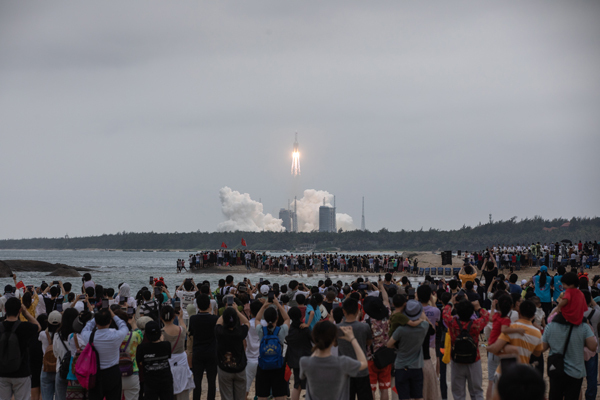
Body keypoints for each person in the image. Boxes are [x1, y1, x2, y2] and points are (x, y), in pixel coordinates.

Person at [299, 321, 368, 400]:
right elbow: (364, 363)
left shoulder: (305, 362)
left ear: (314, 337)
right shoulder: (342, 363)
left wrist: (318, 342)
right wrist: (352, 339)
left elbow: (302, 376)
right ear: (334, 339)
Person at [442, 297, 489, 400]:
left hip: (457, 360)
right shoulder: (475, 324)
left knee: (458, 394)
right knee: (477, 392)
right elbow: (486, 317)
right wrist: (479, 308)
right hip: (474, 360)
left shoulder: (453, 324)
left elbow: (445, 314)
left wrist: (450, 302)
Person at [80, 307, 129, 400]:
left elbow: (86, 328)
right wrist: (113, 315)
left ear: (96, 323)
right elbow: (123, 326)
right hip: (113, 372)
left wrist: (96, 317)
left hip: (95, 373)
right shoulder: (116, 335)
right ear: (110, 321)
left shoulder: (89, 336)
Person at [386, 299, 430, 400]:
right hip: (417, 366)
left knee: (404, 397)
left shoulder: (400, 330)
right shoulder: (424, 326)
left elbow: (389, 344)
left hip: (401, 365)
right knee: (418, 396)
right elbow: (424, 318)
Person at [0, 297, 41, 400]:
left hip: (2, 372)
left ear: (5, 310)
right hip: (21, 372)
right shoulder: (25, 327)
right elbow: (38, 327)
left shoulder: (0, 327)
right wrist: (26, 313)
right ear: (19, 310)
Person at [254, 298, 290, 400]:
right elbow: (287, 319)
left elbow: (257, 319)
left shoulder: (261, 330)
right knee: (279, 395)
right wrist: (278, 304)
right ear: (277, 318)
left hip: (263, 367)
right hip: (278, 366)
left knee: (262, 396)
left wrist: (264, 305)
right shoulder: (281, 330)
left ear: (264, 319)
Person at [338, 298, 373, 400]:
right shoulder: (364, 327)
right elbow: (369, 343)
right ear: (358, 311)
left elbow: (335, 343)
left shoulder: (337, 328)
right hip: (361, 369)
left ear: (343, 311)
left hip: (345, 370)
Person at [215, 305, 250, 400]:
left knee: (227, 397)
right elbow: (247, 322)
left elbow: (218, 322)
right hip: (240, 368)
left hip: (224, 368)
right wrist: (236, 312)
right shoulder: (240, 332)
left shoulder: (220, 332)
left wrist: (226, 312)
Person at [188, 294, 219, 400]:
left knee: (197, 381)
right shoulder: (215, 319)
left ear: (197, 305)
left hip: (198, 352)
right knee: (211, 382)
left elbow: (191, 334)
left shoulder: (193, 319)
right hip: (211, 352)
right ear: (210, 305)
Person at [161, 305, 194, 400]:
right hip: (181, 365)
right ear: (173, 317)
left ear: (161, 317)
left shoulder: (161, 334)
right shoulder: (181, 330)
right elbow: (183, 326)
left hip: (167, 365)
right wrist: (180, 318)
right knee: (183, 395)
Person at [136, 321, 174, 400]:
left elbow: (139, 361)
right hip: (166, 380)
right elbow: (168, 356)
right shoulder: (166, 345)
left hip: (150, 381)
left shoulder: (142, 347)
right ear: (160, 333)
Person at [285, 306, 312, 400]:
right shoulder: (305, 329)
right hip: (308, 358)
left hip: (295, 360)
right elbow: (315, 340)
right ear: (301, 315)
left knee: (297, 385)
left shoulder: (289, 330)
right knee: (311, 384)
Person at [53, 308, 79, 400]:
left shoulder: (57, 335)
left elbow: (55, 353)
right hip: (75, 373)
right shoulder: (78, 336)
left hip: (61, 370)